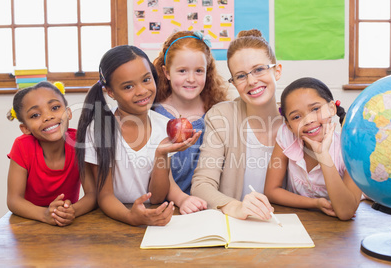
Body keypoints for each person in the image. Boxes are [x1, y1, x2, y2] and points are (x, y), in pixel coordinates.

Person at [75, 45, 203, 226]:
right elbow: (104, 196)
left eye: (146, 79)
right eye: (128, 86)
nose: (142, 91)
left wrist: (161, 154)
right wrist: (130, 217)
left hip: (152, 217)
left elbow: (158, 197)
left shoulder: (163, 126)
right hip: (115, 219)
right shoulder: (100, 128)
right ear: (110, 92)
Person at [191, 29, 283, 221]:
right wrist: (236, 207)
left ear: (277, 70)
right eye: (241, 76)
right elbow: (201, 186)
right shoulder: (221, 116)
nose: (251, 81)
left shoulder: (295, 120)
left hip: (284, 225)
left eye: (259, 69)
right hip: (235, 226)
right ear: (234, 82)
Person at [264, 77, 362, 220]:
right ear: (289, 125)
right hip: (302, 222)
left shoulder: (350, 147)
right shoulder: (286, 136)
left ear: (331, 108)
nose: (308, 120)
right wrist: (316, 203)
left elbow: (346, 212)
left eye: (315, 109)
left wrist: (323, 155)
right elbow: (271, 191)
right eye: (296, 116)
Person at [6, 81, 97, 226]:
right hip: (31, 223)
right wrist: (45, 214)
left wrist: (71, 211)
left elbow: (92, 195)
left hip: (69, 223)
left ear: (68, 112)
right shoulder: (22, 147)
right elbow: (14, 200)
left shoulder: (80, 142)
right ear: (25, 128)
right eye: (35, 115)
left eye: (55, 108)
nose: (48, 117)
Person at [153, 30, 227, 199]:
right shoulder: (156, 115)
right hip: (165, 203)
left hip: (208, 203)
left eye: (199, 71)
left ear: (207, 72)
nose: (191, 79)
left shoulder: (215, 113)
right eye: (182, 71)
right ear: (166, 73)